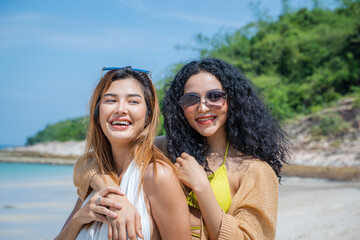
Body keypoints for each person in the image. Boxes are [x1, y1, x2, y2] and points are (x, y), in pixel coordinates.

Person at [73, 58, 290, 239]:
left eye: (215, 96)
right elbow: (90, 163)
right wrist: (115, 197)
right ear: (181, 107)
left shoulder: (256, 171)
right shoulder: (166, 148)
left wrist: (202, 188)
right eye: (191, 99)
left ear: (233, 100)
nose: (203, 107)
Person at [55, 67, 191, 240]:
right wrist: (79, 218)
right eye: (111, 100)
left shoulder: (157, 176)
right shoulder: (95, 177)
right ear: (97, 114)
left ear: (148, 116)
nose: (120, 109)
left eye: (133, 102)